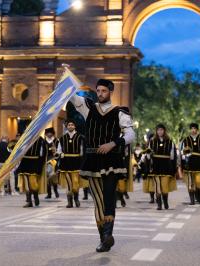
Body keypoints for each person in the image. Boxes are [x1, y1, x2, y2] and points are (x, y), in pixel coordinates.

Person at [70, 79, 135, 252]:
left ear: (110, 92)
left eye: (103, 91)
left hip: (111, 159)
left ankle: (107, 235)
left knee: (108, 198)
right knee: (98, 201)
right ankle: (104, 238)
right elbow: (72, 96)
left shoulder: (119, 112)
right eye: (98, 90)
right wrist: (65, 77)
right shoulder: (88, 107)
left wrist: (113, 143)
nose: (100, 94)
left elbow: (130, 135)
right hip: (92, 159)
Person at [57, 119, 87, 208]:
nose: (70, 126)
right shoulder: (62, 138)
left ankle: (76, 198)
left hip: (76, 162)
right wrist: (60, 154)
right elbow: (59, 150)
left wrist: (83, 162)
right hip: (65, 162)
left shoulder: (81, 137)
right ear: (67, 126)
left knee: (75, 182)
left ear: (75, 126)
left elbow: (82, 151)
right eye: (69, 125)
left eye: (72, 125)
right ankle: (69, 201)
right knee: (69, 183)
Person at [148, 124, 177, 210]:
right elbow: (149, 155)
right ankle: (159, 204)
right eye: (158, 130)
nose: (160, 132)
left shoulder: (170, 141)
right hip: (155, 166)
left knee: (164, 187)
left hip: (166, 166)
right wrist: (148, 156)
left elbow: (172, 156)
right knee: (157, 186)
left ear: (164, 131)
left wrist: (173, 167)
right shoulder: (152, 142)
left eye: (161, 130)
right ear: (156, 131)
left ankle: (165, 202)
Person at [181, 123, 200, 204]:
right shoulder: (186, 140)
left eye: (194, 128)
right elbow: (183, 152)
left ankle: (199, 196)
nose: (193, 130)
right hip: (190, 163)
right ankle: (192, 200)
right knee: (191, 182)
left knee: (199, 182)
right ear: (190, 130)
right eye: (191, 128)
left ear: (197, 129)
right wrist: (186, 155)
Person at [18, 137, 47, 208]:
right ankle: (29, 201)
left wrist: (40, 165)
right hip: (25, 163)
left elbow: (42, 154)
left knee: (33, 183)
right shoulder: (24, 138)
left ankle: (35, 195)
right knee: (27, 183)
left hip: (35, 163)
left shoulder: (41, 140)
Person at [43, 127, 59, 199]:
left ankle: (55, 191)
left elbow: (59, 151)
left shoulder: (56, 141)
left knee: (53, 178)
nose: (49, 134)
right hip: (45, 161)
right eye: (47, 133)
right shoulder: (43, 141)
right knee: (46, 179)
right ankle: (49, 193)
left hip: (54, 161)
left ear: (52, 133)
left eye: (50, 133)